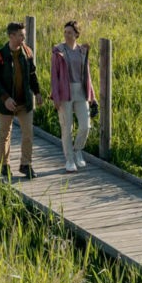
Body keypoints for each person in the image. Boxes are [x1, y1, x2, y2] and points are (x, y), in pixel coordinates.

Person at [0, 21, 41, 178]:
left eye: (24, 35)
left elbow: (32, 74)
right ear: (11, 36)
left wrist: (37, 92)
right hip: (7, 103)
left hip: (24, 101)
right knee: (5, 134)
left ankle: (26, 164)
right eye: (20, 35)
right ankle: (5, 165)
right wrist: (5, 98)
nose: (23, 38)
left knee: (28, 133)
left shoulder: (27, 52)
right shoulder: (0, 55)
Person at [50, 20, 96, 172]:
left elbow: (87, 75)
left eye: (70, 32)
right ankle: (69, 159)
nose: (67, 35)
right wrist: (55, 97)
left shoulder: (82, 51)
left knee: (85, 126)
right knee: (66, 127)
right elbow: (54, 76)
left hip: (81, 92)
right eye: (65, 32)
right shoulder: (58, 51)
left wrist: (92, 97)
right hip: (64, 92)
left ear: (77, 34)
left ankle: (77, 150)